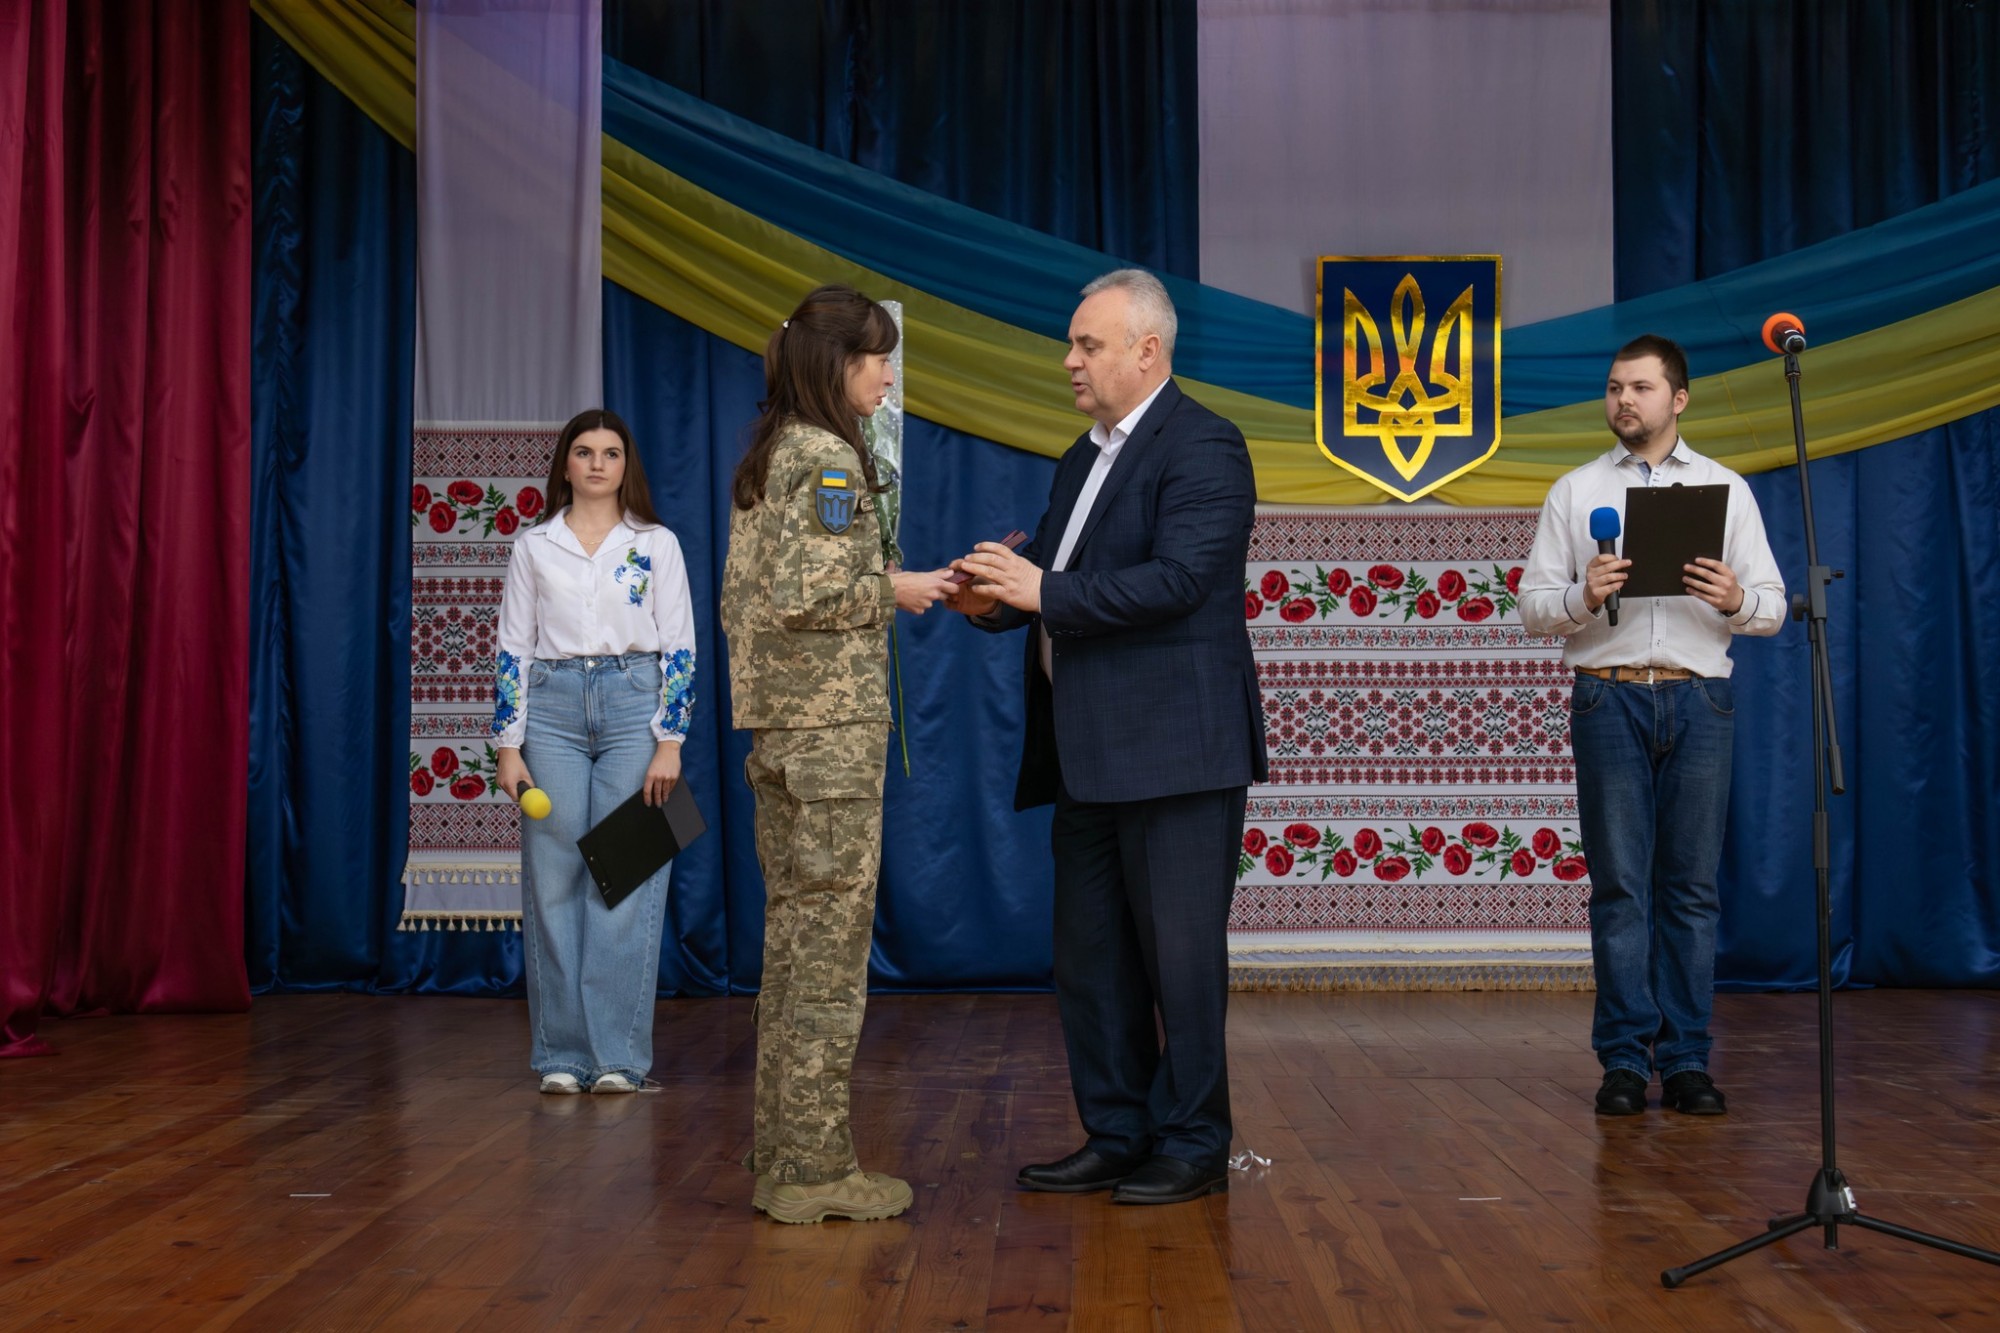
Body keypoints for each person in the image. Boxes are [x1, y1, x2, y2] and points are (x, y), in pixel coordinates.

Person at [950, 269, 1266, 1205]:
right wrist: (991, 601)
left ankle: (1195, 1141)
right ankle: (1118, 1132)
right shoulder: (1079, 456)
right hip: (1086, 753)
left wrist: (1038, 590)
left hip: (1176, 749)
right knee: (1090, 960)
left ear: (1147, 350)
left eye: (1088, 345)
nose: (1069, 360)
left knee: (1179, 960)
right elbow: (1052, 572)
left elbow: (1178, 582)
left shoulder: (1206, 445)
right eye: (1073, 344)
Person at [720, 284, 957, 1224]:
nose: (889, 376)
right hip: (827, 736)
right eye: (876, 359)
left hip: (781, 731)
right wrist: (900, 586)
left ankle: (783, 1149)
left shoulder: (774, 448)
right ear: (836, 363)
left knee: (793, 947)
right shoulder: (824, 455)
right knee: (825, 958)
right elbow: (809, 591)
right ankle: (814, 1170)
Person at [1519, 334, 1785, 1117]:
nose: (1623, 400)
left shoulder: (1725, 490)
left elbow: (1770, 609)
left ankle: (1689, 1060)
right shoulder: (1575, 492)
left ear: (1679, 399)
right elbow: (1533, 608)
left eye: (1639, 387)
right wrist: (1580, 594)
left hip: (1701, 700)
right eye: (1613, 387)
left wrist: (1735, 598)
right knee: (1620, 887)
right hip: (1607, 696)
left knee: (1691, 889)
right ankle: (1626, 1061)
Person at [492, 408, 696, 1096]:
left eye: (611, 451)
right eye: (584, 451)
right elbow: (513, 647)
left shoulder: (657, 543)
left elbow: (682, 645)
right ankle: (562, 1055)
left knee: (626, 875)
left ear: (625, 464)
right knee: (553, 878)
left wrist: (669, 739)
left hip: (635, 702)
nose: (598, 462)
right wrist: (508, 746)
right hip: (549, 709)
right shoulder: (533, 547)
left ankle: (617, 1057)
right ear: (567, 464)